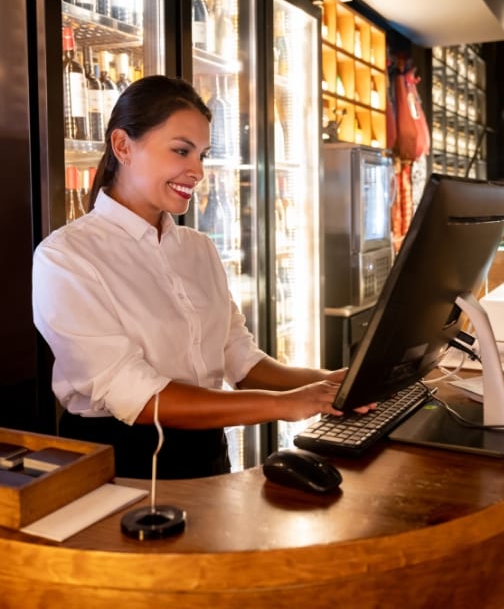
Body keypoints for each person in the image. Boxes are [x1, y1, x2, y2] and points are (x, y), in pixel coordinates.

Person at [32, 75, 369, 480]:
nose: (197, 171)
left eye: (202, 156)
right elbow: (136, 397)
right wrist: (287, 404)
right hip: (122, 463)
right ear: (122, 146)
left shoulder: (198, 249)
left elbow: (241, 361)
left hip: (209, 453)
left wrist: (331, 384)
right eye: (181, 151)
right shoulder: (66, 257)